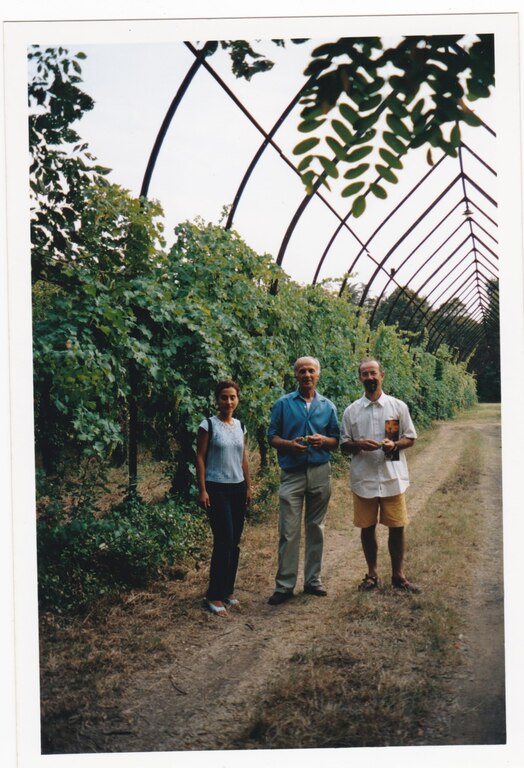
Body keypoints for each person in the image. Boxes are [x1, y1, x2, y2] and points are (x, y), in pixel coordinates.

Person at [340, 357, 420, 593]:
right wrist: (358, 444)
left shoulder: (397, 406)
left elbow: (410, 437)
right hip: (364, 478)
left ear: (382, 375)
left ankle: (398, 575)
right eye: (365, 374)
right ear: (360, 379)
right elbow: (344, 444)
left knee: (397, 526)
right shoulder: (352, 411)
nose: (369, 378)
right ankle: (372, 574)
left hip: (392, 477)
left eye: (373, 373)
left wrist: (394, 445)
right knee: (367, 527)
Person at [267, 356, 340, 605]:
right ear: (295, 375)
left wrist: (323, 441)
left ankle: (313, 580)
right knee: (288, 531)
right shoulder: (283, 404)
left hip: (320, 471)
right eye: (302, 371)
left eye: (311, 371)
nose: (307, 375)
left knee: (316, 527)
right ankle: (285, 585)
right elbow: (272, 437)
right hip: (292, 473)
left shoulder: (328, 406)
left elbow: (336, 440)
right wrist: (289, 445)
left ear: (318, 374)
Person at [196, 380, 251, 616]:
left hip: (237, 488)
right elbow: (199, 457)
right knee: (224, 540)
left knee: (235, 541)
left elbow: (243, 457)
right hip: (216, 489)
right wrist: (202, 489)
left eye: (232, 397)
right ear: (217, 400)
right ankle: (214, 595)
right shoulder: (208, 425)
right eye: (224, 397)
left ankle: (228, 590)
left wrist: (248, 486)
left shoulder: (239, 426)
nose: (228, 402)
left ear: (238, 399)